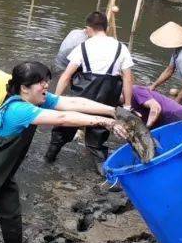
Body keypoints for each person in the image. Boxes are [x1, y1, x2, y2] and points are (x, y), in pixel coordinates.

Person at [0, 61, 127, 243]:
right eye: (41, 82)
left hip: (3, 170)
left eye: (47, 81)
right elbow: (62, 117)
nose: (46, 86)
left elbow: (71, 103)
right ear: (24, 88)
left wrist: (113, 111)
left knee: (11, 214)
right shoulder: (17, 109)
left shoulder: (38, 100)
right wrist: (106, 123)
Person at [47, 10, 133, 170]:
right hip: (107, 97)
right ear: (106, 28)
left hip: (82, 95)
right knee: (98, 135)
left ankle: (49, 158)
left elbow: (66, 76)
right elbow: (128, 78)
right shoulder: (121, 48)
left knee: (65, 127)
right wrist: (127, 105)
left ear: (89, 28)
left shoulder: (83, 46)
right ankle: (106, 173)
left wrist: (55, 100)